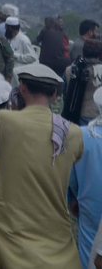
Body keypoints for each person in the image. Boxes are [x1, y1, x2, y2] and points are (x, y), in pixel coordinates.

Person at [0, 64, 82, 268]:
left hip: (9, 233)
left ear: (22, 88)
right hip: (54, 235)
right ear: (56, 95)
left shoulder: (4, 121)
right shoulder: (72, 133)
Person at [70, 87, 102, 268]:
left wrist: (74, 198)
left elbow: (71, 177)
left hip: (88, 203)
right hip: (87, 203)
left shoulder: (82, 134)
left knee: (88, 251)